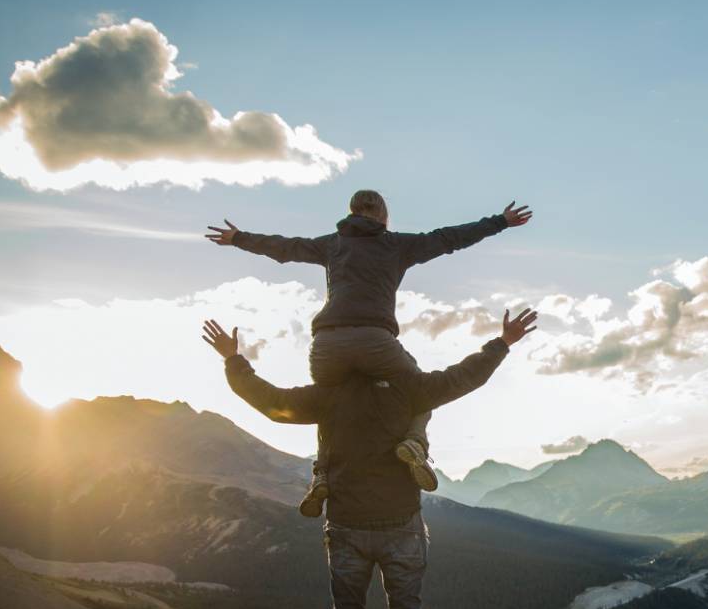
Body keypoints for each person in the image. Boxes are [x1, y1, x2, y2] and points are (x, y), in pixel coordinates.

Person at [200, 308, 539, 609]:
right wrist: (501, 343)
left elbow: (271, 403)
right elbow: (464, 377)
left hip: (345, 524)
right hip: (401, 523)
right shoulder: (408, 389)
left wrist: (233, 359)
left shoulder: (326, 396)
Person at [206, 190, 532, 515]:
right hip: (376, 341)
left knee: (329, 402)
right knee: (421, 391)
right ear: (384, 216)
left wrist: (238, 238)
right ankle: (415, 443)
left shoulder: (331, 245)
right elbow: (449, 238)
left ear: (350, 213)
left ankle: (322, 473)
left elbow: (285, 248)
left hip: (327, 347)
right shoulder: (396, 245)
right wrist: (500, 222)